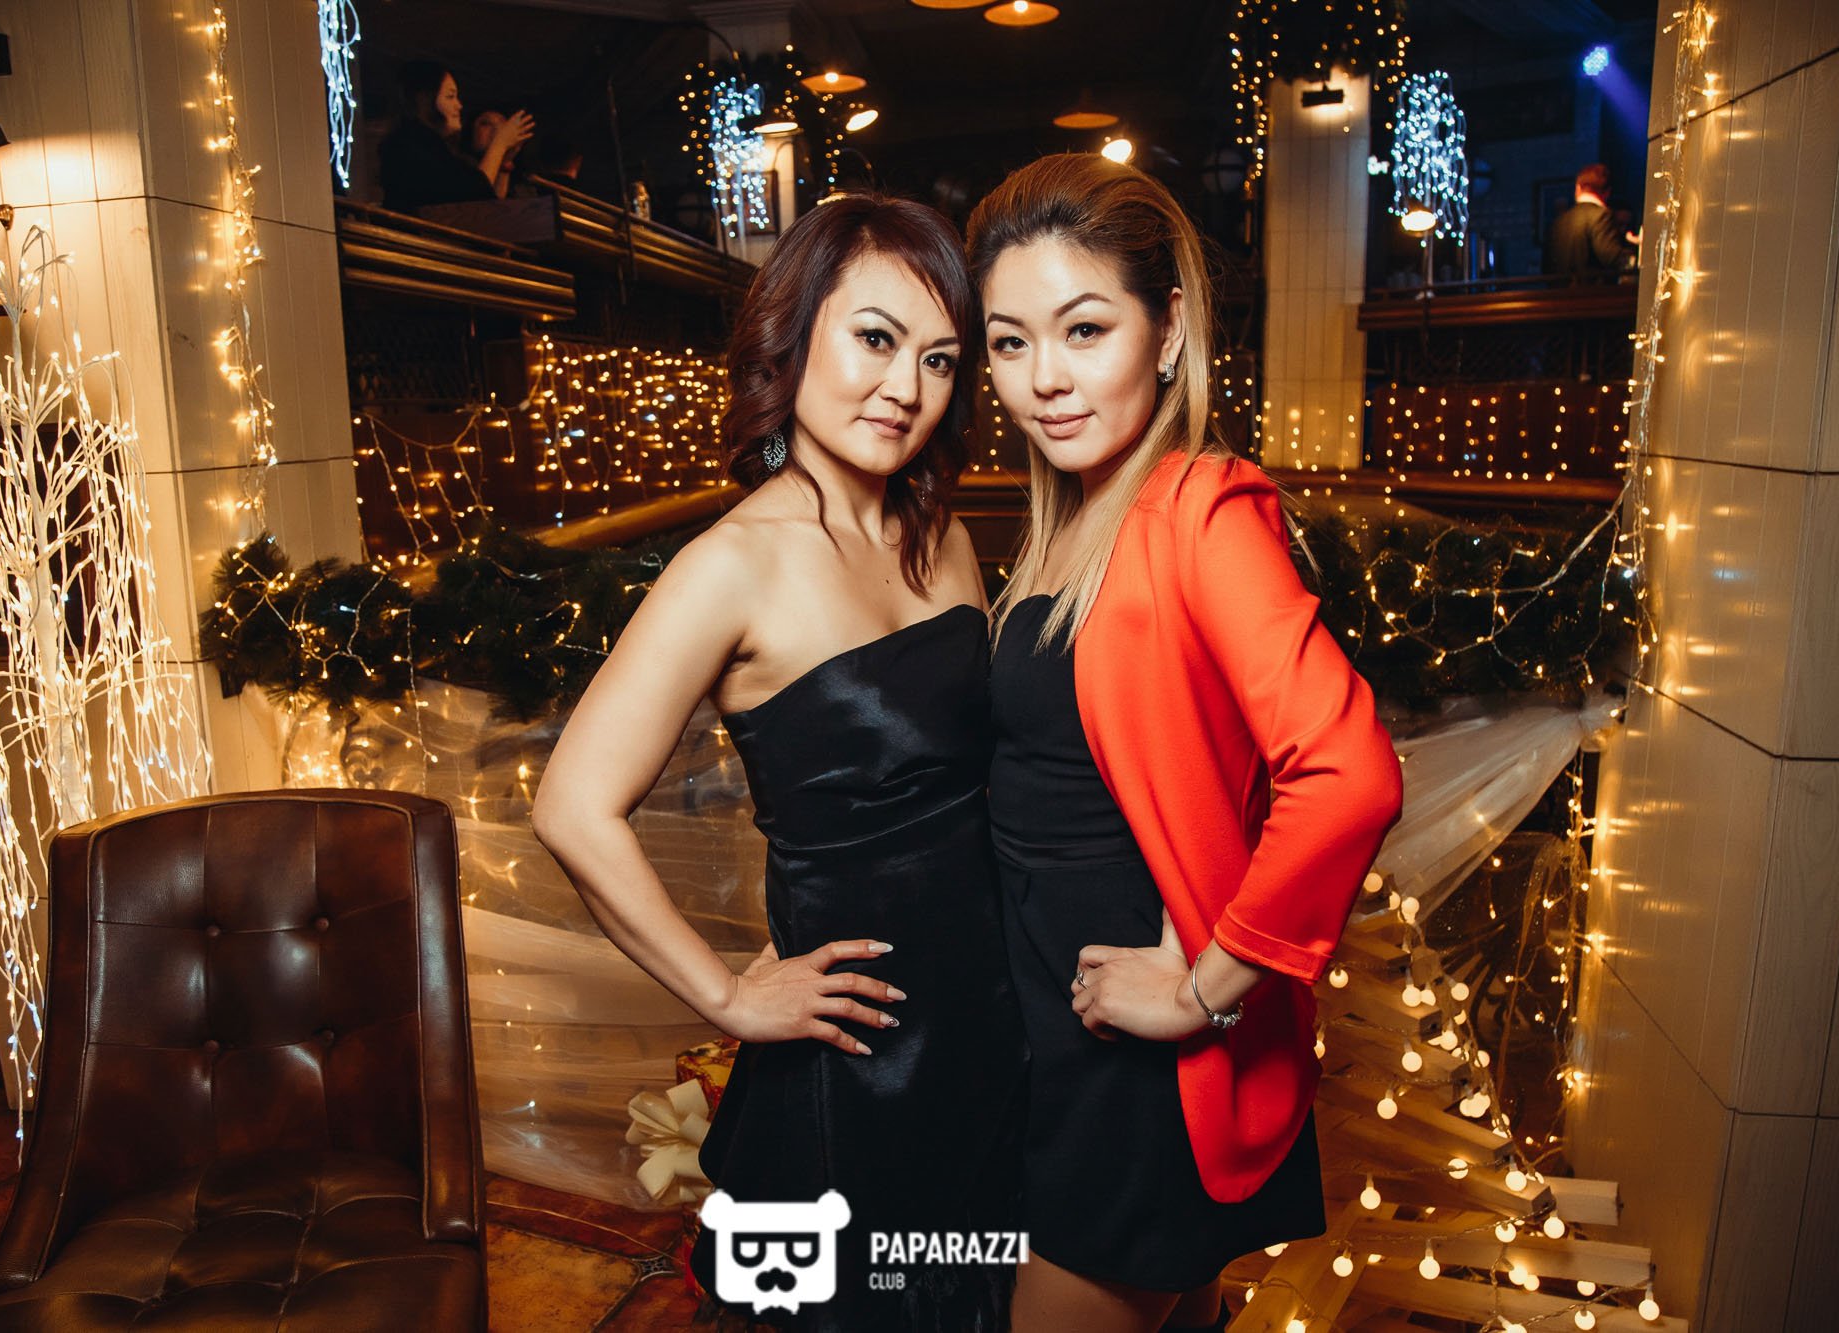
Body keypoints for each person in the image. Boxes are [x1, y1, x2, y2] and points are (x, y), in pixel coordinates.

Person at [532, 194, 1025, 1331]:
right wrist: (724, 995)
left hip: (994, 1016)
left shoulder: (943, 534)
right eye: (875, 338)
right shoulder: (731, 564)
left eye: (938, 359)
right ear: (792, 335)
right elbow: (572, 806)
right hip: (858, 1048)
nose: (904, 387)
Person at [967, 154, 1404, 1333]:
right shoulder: (1063, 522)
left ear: (1166, 333)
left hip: (1134, 1062)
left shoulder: (1199, 505)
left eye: (1083, 329)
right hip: (1061, 1030)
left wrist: (1205, 992)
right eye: (1008, 342)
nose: (1042, 378)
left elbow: (1347, 772)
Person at [378, 60, 531, 211]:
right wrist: (500, 143)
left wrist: (504, 161)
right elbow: (473, 195)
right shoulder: (411, 145)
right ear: (425, 100)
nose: (459, 105)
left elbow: (489, 206)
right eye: (450, 97)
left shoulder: (435, 147)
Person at [1542, 163, 1634, 277]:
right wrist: (1637, 258)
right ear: (1607, 192)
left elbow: (1546, 266)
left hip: (1558, 287)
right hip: (1593, 287)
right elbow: (1611, 257)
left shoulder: (1558, 221)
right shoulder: (1601, 215)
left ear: (1578, 188)